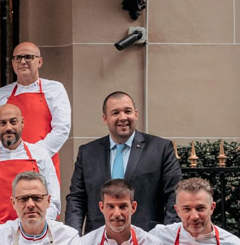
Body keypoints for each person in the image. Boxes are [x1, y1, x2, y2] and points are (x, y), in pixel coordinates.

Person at [66, 91, 181, 234]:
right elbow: (77, 199)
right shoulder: (87, 152)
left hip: (147, 239)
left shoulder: (160, 149)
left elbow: (174, 195)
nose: (123, 117)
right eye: (115, 113)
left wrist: (168, 236)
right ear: (105, 118)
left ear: (136, 114)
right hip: (98, 240)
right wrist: (72, 238)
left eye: (128, 111)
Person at [0, 103, 60, 238]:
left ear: (22, 123)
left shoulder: (40, 154)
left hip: (36, 234)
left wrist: (36, 228)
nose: (8, 128)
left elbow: (53, 201)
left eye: (13, 122)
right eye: (3, 123)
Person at [0, 42, 71, 180]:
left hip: (43, 160)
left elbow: (62, 128)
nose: (23, 61)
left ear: (39, 62)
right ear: (12, 63)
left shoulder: (54, 89)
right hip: (9, 161)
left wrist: (35, 153)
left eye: (28, 57)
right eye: (18, 58)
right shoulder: (2, 93)